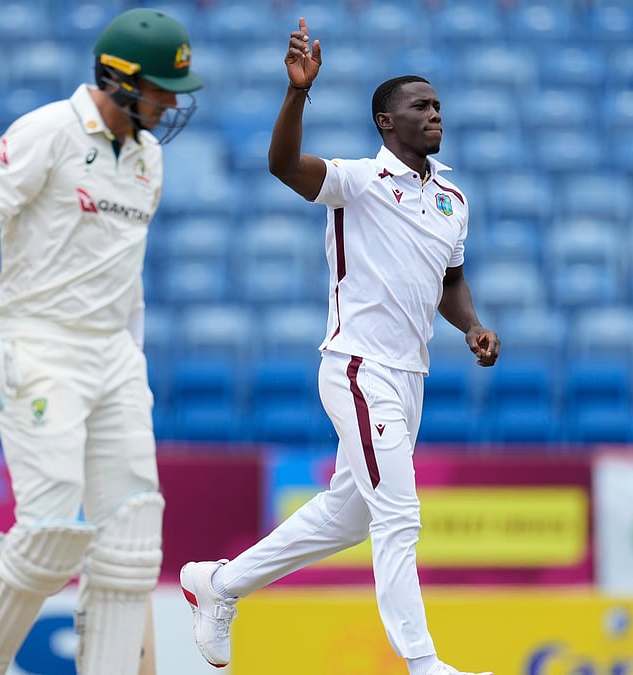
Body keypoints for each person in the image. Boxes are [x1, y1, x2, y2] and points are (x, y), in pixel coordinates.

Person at [180, 18, 499, 675]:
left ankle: (219, 583)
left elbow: (451, 279)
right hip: (359, 368)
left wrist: (469, 325)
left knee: (349, 516)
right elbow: (282, 165)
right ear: (387, 122)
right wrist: (297, 94)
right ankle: (423, 662)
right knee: (398, 514)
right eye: (421, 106)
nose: (435, 113)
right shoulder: (356, 182)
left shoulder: (452, 198)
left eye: (438, 104)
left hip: (410, 376)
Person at [0, 8, 201, 675]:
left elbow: (126, 270)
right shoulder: (47, 130)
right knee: (50, 531)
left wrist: (131, 359)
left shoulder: (150, 156)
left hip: (114, 352)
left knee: (134, 537)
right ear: (116, 78)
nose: (170, 105)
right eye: (161, 89)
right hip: (41, 345)